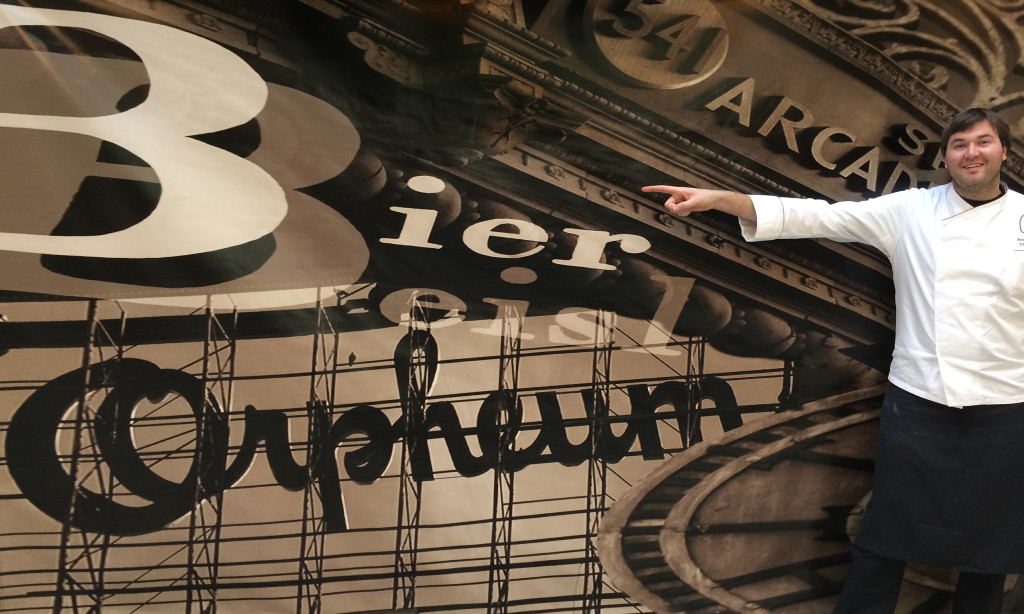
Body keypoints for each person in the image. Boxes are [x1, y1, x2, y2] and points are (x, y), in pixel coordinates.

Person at [644, 107, 1023, 614]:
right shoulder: (912, 210)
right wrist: (718, 199)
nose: (970, 153)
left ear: (1004, 151)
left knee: (989, 545)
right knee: (887, 533)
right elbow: (819, 215)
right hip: (922, 400)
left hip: (1005, 404)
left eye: (982, 142)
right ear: (946, 157)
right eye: (959, 145)